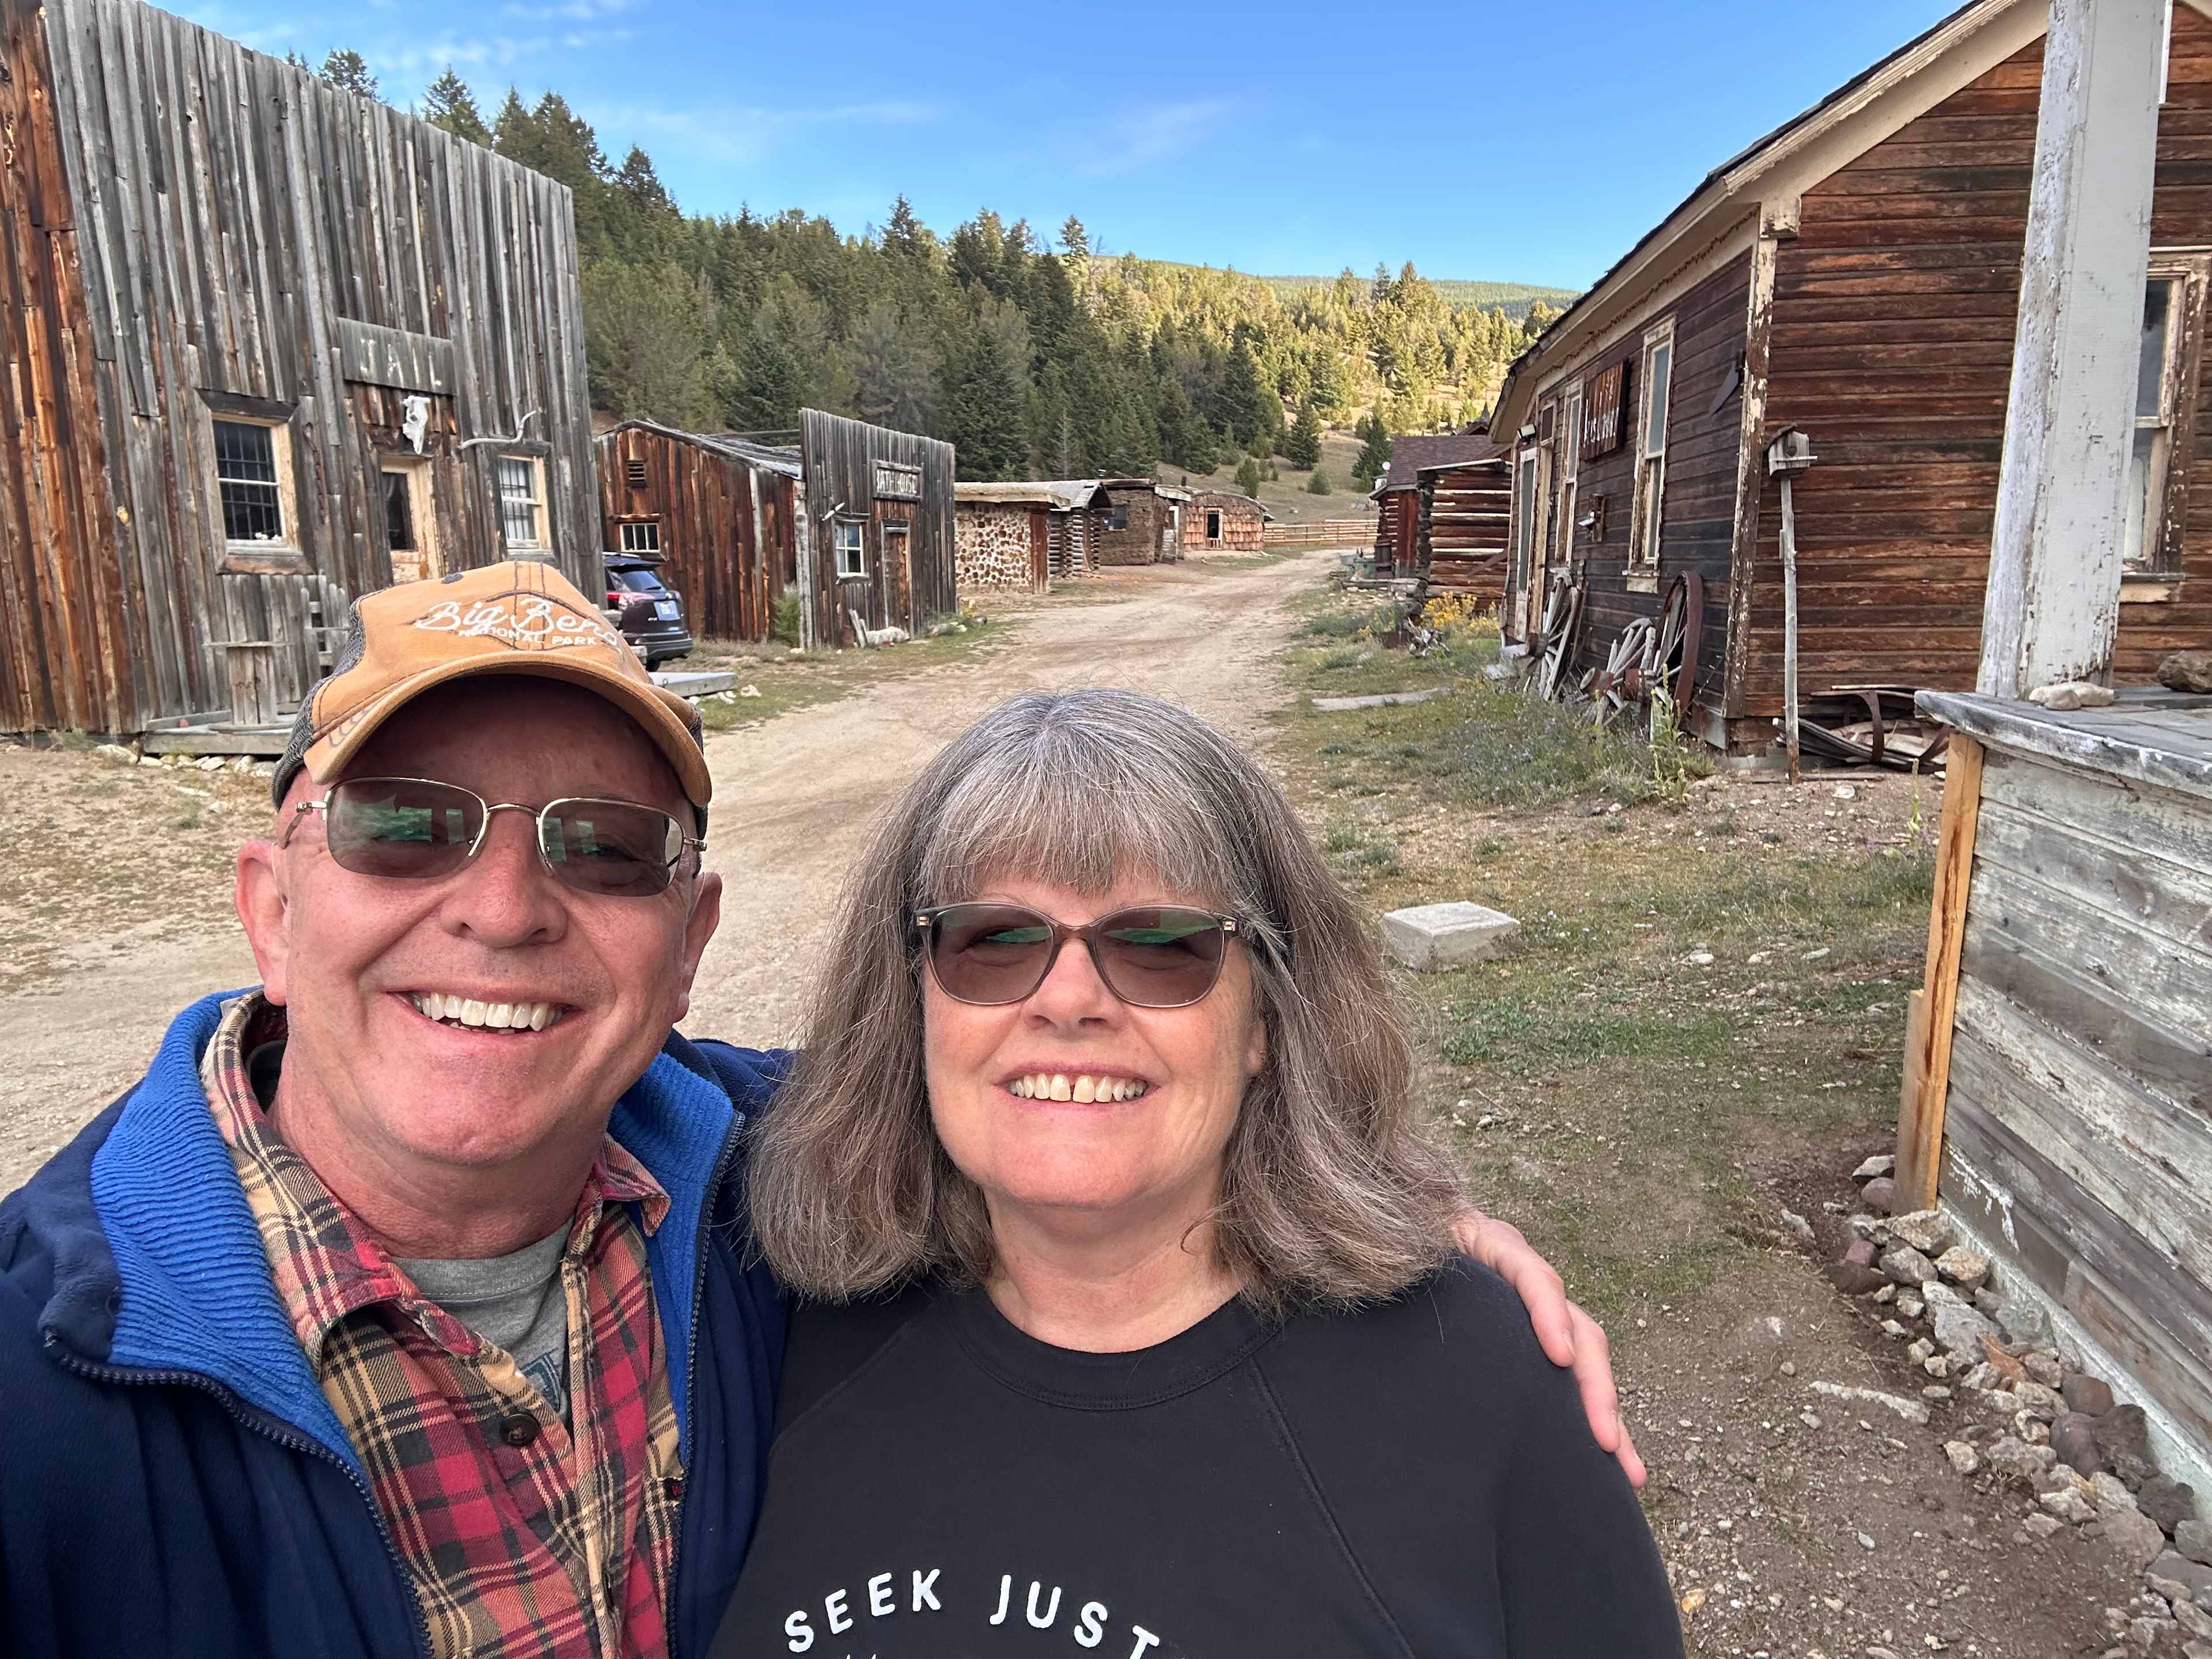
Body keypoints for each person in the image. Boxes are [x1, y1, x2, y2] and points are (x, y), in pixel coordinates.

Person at [0, 563, 1631, 1658]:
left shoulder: (752, 1205)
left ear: (688, 947)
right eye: (406, 826)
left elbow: (1065, 1137)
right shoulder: (45, 1398)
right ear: (271, 907)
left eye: (601, 846)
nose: (500, 910)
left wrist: (1415, 1228)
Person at [713, 689, 1680, 1658]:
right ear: (912, 1000)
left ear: (1265, 1021)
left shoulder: (1481, 1389)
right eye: (995, 940)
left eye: (1162, 945)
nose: (1069, 1000)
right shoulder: (762, 1316)